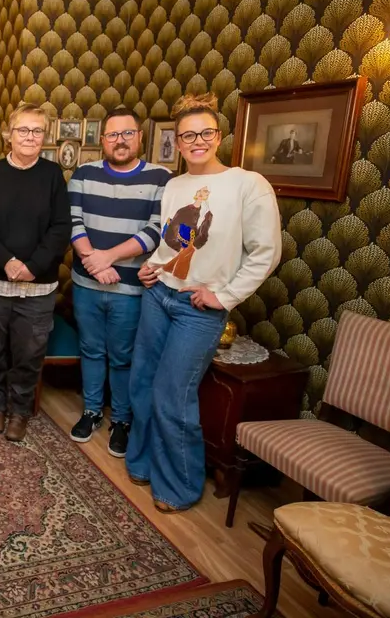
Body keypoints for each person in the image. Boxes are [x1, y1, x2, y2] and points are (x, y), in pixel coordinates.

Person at [127, 93, 281, 513]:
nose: (197, 141)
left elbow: (265, 252)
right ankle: (141, 463)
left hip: (198, 310)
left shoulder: (248, 184)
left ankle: (177, 487)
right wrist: (151, 266)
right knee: (141, 383)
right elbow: (173, 239)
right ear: (177, 142)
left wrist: (224, 295)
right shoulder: (175, 185)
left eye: (205, 133)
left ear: (219, 136)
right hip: (159, 295)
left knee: (173, 395)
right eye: (187, 136)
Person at [67, 106, 172, 455]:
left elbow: (158, 230)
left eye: (127, 133)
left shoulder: (161, 178)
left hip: (130, 289)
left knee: (124, 357)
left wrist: (108, 257)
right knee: (91, 351)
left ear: (140, 137)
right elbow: (73, 222)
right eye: (112, 135)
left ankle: (122, 420)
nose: (120, 141)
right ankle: (92, 411)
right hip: (86, 285)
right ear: (103, 140)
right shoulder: (83, 173)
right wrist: (94, 264)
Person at [0, 103, 70, 441]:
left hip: (37, 287)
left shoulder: (52, 175)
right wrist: (7, 262)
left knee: (29, 353)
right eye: (23, 130)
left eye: (37, 131)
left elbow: (60, 228)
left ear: (45, 136)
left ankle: (20, 411)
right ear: (9, 134)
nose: (29, 137)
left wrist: (32, 266)